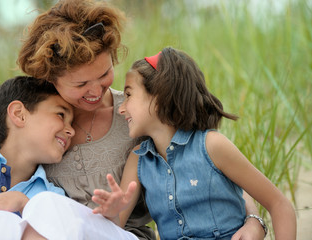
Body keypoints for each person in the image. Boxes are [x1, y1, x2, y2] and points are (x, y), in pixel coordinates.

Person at [16, 0, 266, 239]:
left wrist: (254, 219)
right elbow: (0, 169)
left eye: (104, 73)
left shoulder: (138, 114)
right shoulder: (34, 120)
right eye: (81, 84)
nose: (95, 91)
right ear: (50, 79)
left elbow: (209, 171)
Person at [91, 47, 297, 240]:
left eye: (128, 95)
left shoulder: (211, 146)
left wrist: (255, 221)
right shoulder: (138, 159)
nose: (121, 108)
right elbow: (116, 228)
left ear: (161, 96)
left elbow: (279, 204)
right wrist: (112, 213)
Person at [0, 76, 74, 239]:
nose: (71, 131)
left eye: (72, 123)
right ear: (19, 114)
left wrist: (25, 205)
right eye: (60, 115)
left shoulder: (53, 198)